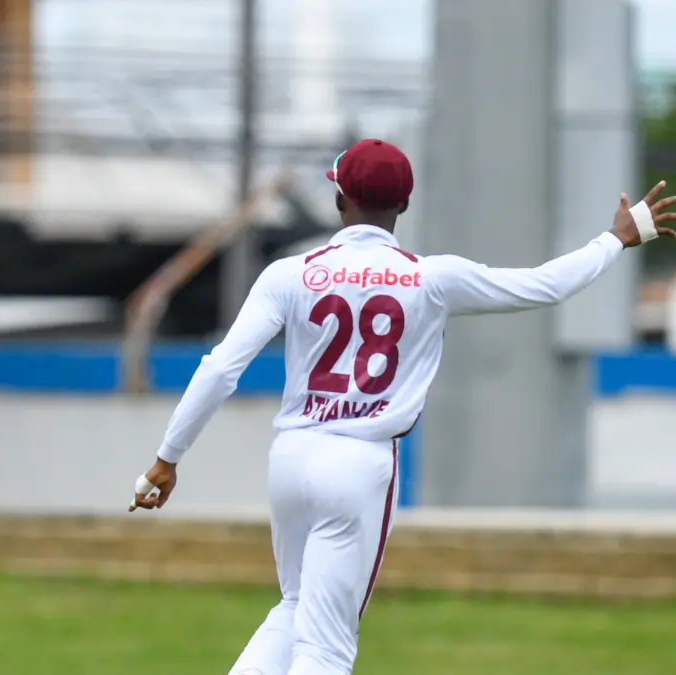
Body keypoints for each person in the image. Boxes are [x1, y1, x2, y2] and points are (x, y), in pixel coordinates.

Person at [126, 138, 676, 675]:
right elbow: (542, 286)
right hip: (359, 462)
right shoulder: (431, 278)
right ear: (405, 205)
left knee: (293, 608)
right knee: (326, 649)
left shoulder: (289, 274)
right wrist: (615, 239)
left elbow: (221, 367)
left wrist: (167, 458)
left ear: (340, 200)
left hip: (292, 455)